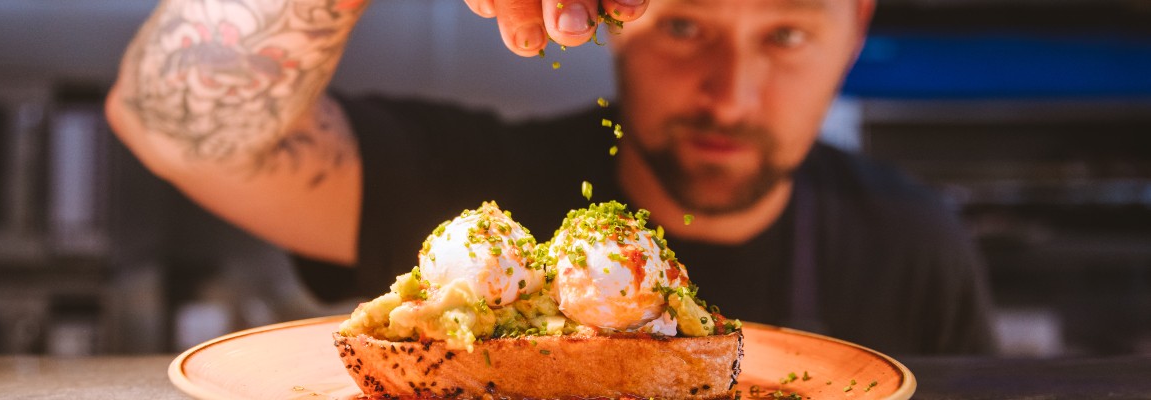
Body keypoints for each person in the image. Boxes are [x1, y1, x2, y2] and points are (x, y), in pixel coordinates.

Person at [107, 0, 995, 355]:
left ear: (855, 30)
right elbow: (168, 119)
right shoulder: (464, 189)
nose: (731, 94)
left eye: (787, 36)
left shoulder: (911, 243)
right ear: (615, 21)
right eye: (685, 27)